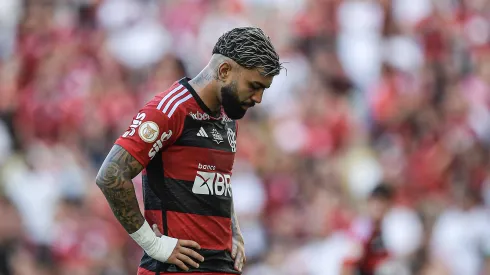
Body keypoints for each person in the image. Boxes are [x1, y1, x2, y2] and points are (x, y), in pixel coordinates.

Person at [95, 27, 282, 275]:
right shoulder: (170, 110)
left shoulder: (228, 121)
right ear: (225, 71)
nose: (258, 98)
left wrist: (234, 231)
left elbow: (217, 182)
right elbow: (111, 175)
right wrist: (154, 245)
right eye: (254, 85)